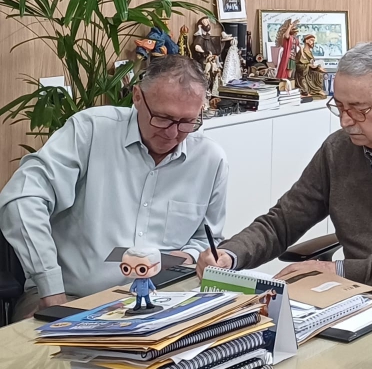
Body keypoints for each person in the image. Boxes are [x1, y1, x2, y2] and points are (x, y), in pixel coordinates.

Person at [197, 42, 372, 309]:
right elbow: (282, 222)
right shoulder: (338, 150)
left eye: (359, 110)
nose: (346, 121)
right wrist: (230, 255)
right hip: (361, 302)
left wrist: (338, 270)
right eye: (340, 107)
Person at [0, 54, 228, 320]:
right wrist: (50, 288)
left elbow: (206, 240)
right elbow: (22, 199)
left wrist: (189, 256)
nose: (172, 133)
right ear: (137, 97)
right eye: (163, 118)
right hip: (72, 297)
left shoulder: (210, 159)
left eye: (187, 122)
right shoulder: (90, 131)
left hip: (162, 299)